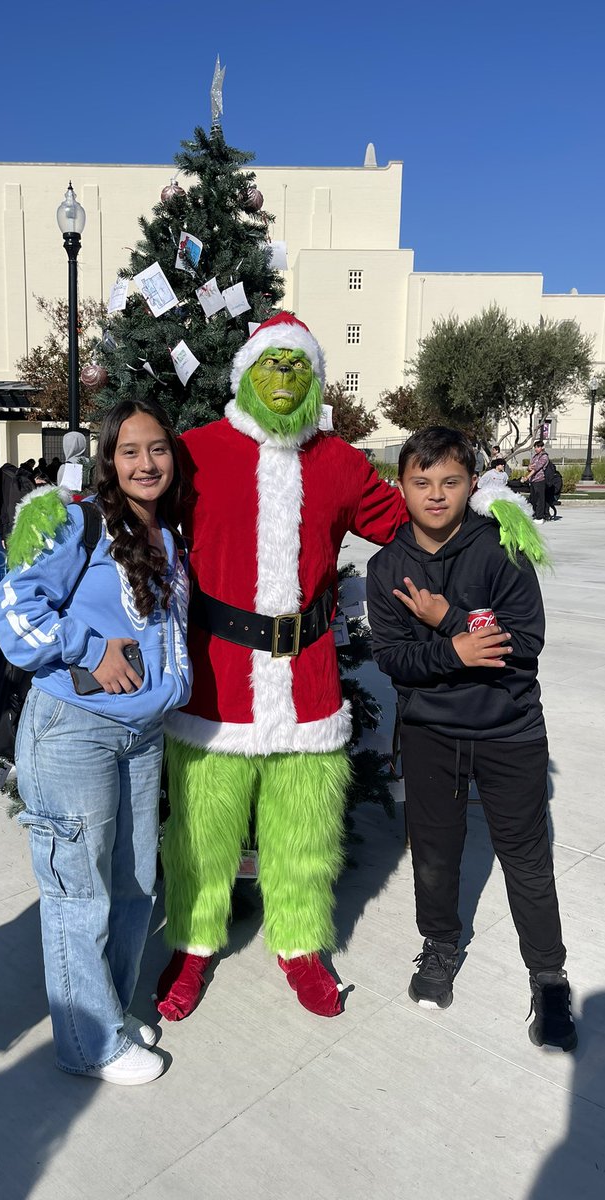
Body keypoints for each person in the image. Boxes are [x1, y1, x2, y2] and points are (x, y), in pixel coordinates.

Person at [156, 312, 408, 1022]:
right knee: (201, 837)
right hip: (215, 688)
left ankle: (299, 944)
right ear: (245, 373)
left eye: (300, 365)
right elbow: (133, 504)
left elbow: (402, 519)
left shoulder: (339, 461)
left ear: (317, 379)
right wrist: (61, 508)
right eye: (274, 363)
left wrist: (486, 508)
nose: (286, 377)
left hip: (310, 689)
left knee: (304, 834)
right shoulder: (197, 451)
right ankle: (193, 944)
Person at [0, 398, 191, 1086]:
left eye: (157, 448)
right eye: (129, 450)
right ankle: (88, 1043)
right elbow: (13, 607)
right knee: (80, 893)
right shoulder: (79, 522)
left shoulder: (167, 532)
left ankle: (103, 1012)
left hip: (141, 735)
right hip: (75, 731)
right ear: (109, 459)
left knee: (133, 887)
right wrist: (89, 649)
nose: (145, 462)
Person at [365, 425, 576, 1052]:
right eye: (422, 482)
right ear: (399, 485)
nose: (436, 495)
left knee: (527, 859)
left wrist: (448, 622)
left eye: (450, 482)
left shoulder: (501, 552)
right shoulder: (388, 567)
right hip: (432, 735)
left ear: (470, 484)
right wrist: (458, 649)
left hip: (509, 730)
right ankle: (438, 946)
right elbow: (394, 660)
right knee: (434, 853)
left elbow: (523, 649)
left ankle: (549, 976)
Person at [522, 439, 551, 524]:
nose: (536, 448)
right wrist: (528, 468)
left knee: (540, 499)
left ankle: (540, 517)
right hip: (533, 481)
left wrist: (527, 477)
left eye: (538, 447)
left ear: (542, 447)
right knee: (533, 499)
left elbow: (537, 468)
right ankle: (534, 514)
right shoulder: (535, 456)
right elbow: (530, 467)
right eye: (535, 447)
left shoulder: (544, 456)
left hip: (540, 480)